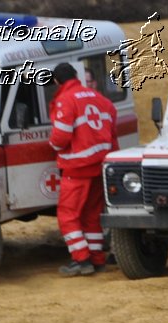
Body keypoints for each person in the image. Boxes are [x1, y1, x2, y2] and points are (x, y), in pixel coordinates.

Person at [48, 61, 118, 276]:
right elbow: (112, 134)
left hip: (76, 168)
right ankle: (97, 259)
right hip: (100, 166)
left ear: (58, 81)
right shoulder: (102, 100)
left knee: (67, 215)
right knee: (91, 215)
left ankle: (81, 259)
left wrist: (53, 146)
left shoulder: (65, 100)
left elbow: (61, 136)